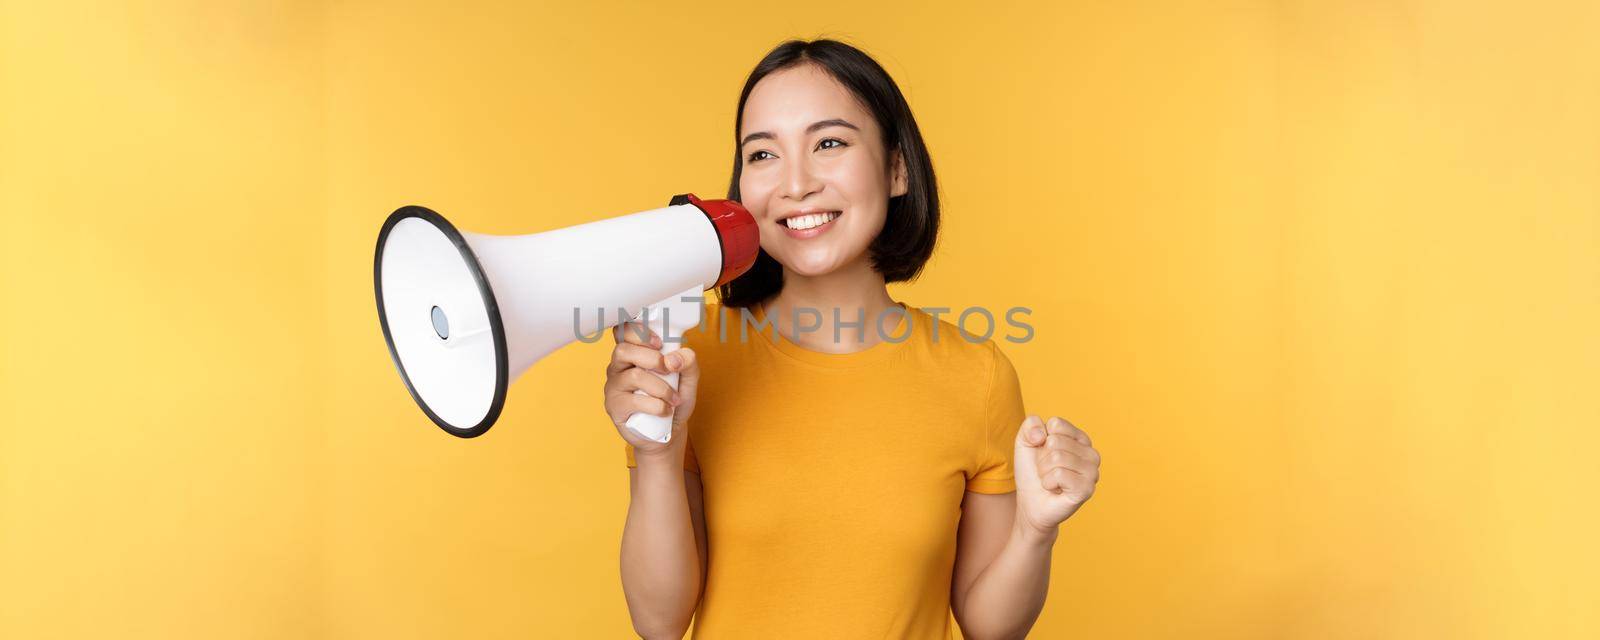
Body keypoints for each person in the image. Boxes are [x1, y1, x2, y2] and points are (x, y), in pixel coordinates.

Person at [602, 39, 1101, 639]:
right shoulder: (688, 357)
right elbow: (658, 623)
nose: (795, 183)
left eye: (829, 143)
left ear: (897, 169)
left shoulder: (978, 374)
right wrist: (659, 452)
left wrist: (1036, 530)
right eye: (762, 154)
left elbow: (990, 628)